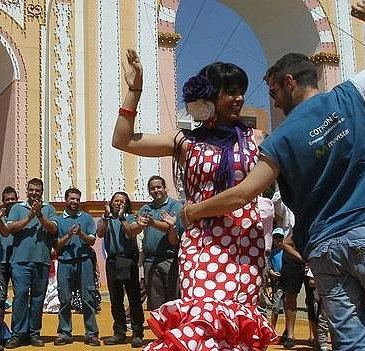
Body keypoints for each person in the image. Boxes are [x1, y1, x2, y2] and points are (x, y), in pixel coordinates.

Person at [180, 2, 365, 349]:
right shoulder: (350, 95)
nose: (274, 103)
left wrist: (193, 210)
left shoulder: (279, 140)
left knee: (350, 341)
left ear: (290, 82)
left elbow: (243, 193)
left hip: (326, 248)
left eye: (274, 93)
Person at [112, 49, 277, 349]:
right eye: (230, 92)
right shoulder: (185, 142)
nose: (239, 99)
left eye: (240, 91)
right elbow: (122, 140)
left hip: (245, 243)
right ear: (209, 99)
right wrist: (134, 91)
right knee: (200, 316)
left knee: (236, 327)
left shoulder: (259, 139)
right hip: (201, 242)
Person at [0, 178, 57, 349]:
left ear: (42, 191)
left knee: (38, 298)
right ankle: (18, 334)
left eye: (37, 190)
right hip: (20, 261)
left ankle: (34, 333)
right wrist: (29, 217)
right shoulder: (17, 208)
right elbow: (10, 228)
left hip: (42, 260)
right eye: (31, 190)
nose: (34, 193)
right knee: (20, 297)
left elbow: (53, 229)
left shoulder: (49, 209)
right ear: (27, 190)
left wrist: (39, 215)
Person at [96, 192, 146, 348]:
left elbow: (131, 232)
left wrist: (122, 216)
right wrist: (106, 216)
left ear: (127, 204)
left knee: (134, 298)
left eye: (122, 201)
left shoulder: (131, 217)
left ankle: (137, 333)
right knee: (115, 299)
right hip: (112, 261)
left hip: (128, 260)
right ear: (111, 203)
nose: (118, 203)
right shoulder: (107, 218)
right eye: (116, 201)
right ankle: (119, 332)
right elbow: (100, 233)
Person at [52, 188, 100, 346]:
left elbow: (92, 241)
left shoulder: (86, 219)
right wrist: (69, 235)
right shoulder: (58, 221)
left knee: (88, 298)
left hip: (84, 262)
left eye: (77, 199)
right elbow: (56, 246)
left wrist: (81, 234)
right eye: (72, 199)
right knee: (64, 299)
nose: (74, 202)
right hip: (65, 262)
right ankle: (65, 333)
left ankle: (91, 333)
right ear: (66, 200)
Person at [138, 175, 182, 311]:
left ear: (164, 188)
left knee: (173, 301)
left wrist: (152, 223)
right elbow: (137, 227)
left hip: (169, 260)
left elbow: (171, 226)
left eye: (158, 187)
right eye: (152, 188)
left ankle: (174, 330)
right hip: (150, 261)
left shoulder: (175, 205)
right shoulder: (146, 208)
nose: (156, 190)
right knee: (156, 303)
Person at [0, 186, 17, 338]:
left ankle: (17, 334)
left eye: (13, 199)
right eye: (7, 200)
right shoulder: (0, 216)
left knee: (19, 299)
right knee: (0, 298)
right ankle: (3, 333)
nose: (10, 202)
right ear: (3, 202)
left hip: (17, 263)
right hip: (1, 264)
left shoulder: (21, 216)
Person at [267, 227, 285, 328]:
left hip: (287, 280)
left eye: (280, 237)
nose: (278, 239)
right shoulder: (272, 253)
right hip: (277, 281)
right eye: (276, 237)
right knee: (276, 305)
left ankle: (287, 331)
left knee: (288, 305)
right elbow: (268, 265)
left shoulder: (286, 251)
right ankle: (273, 328)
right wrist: (272, 273)